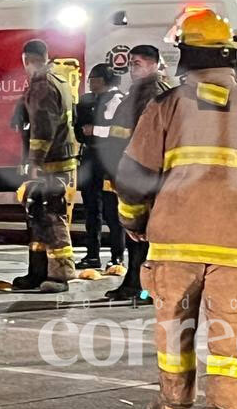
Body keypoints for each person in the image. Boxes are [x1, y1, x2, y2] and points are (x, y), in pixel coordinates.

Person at [115, 9, 237, 409]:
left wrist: (134, 220)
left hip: (174, 246)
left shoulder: (165, 106)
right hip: (236, 246)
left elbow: (134, 175)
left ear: (187, 55)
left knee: (174, 340)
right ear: (229, 55)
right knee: (229, 349)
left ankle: (174, 404)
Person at [96, 45, 173, 302]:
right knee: (134, 235)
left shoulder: (156, 94)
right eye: (130, 63)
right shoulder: (136, 93)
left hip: (147, 177)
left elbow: (151, 140)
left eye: (138, 63)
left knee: (145, 236)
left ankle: (146, 288)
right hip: (130, 173)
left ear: (154, 65)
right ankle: (133, 283)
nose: (132, 67)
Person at [12, 39, 79, 293]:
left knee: (51, 214)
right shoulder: (58, 80)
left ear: (26, 60)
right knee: (38, 214)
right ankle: (38, 271)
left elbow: (43, 128)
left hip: (50, 163)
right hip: (59, 159)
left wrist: (35, 162)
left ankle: (60, 274)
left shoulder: (42, 85)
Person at [75, 64, 125, 270]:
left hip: (109, 160)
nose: (90, 82)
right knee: (91, 210)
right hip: (90, 159)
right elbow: (79, 128)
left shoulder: (118, 100)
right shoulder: (87, 101)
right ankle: (92, 255)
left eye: (93, 78)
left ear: (104, 79)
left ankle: (117, 256)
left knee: (112, 210)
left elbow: (122, 132)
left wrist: (95, 129)